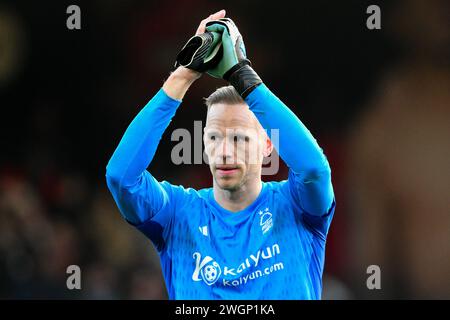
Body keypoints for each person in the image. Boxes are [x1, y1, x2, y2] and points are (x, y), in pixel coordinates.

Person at [106, 10, 335, 299]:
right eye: (214, 137)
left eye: (239, 138)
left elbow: (314, 170)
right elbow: (121, 178)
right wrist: (182, 75)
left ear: (267, 146)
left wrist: (243, 76)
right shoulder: (178, 214)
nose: (224, 152)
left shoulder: (295, 207)